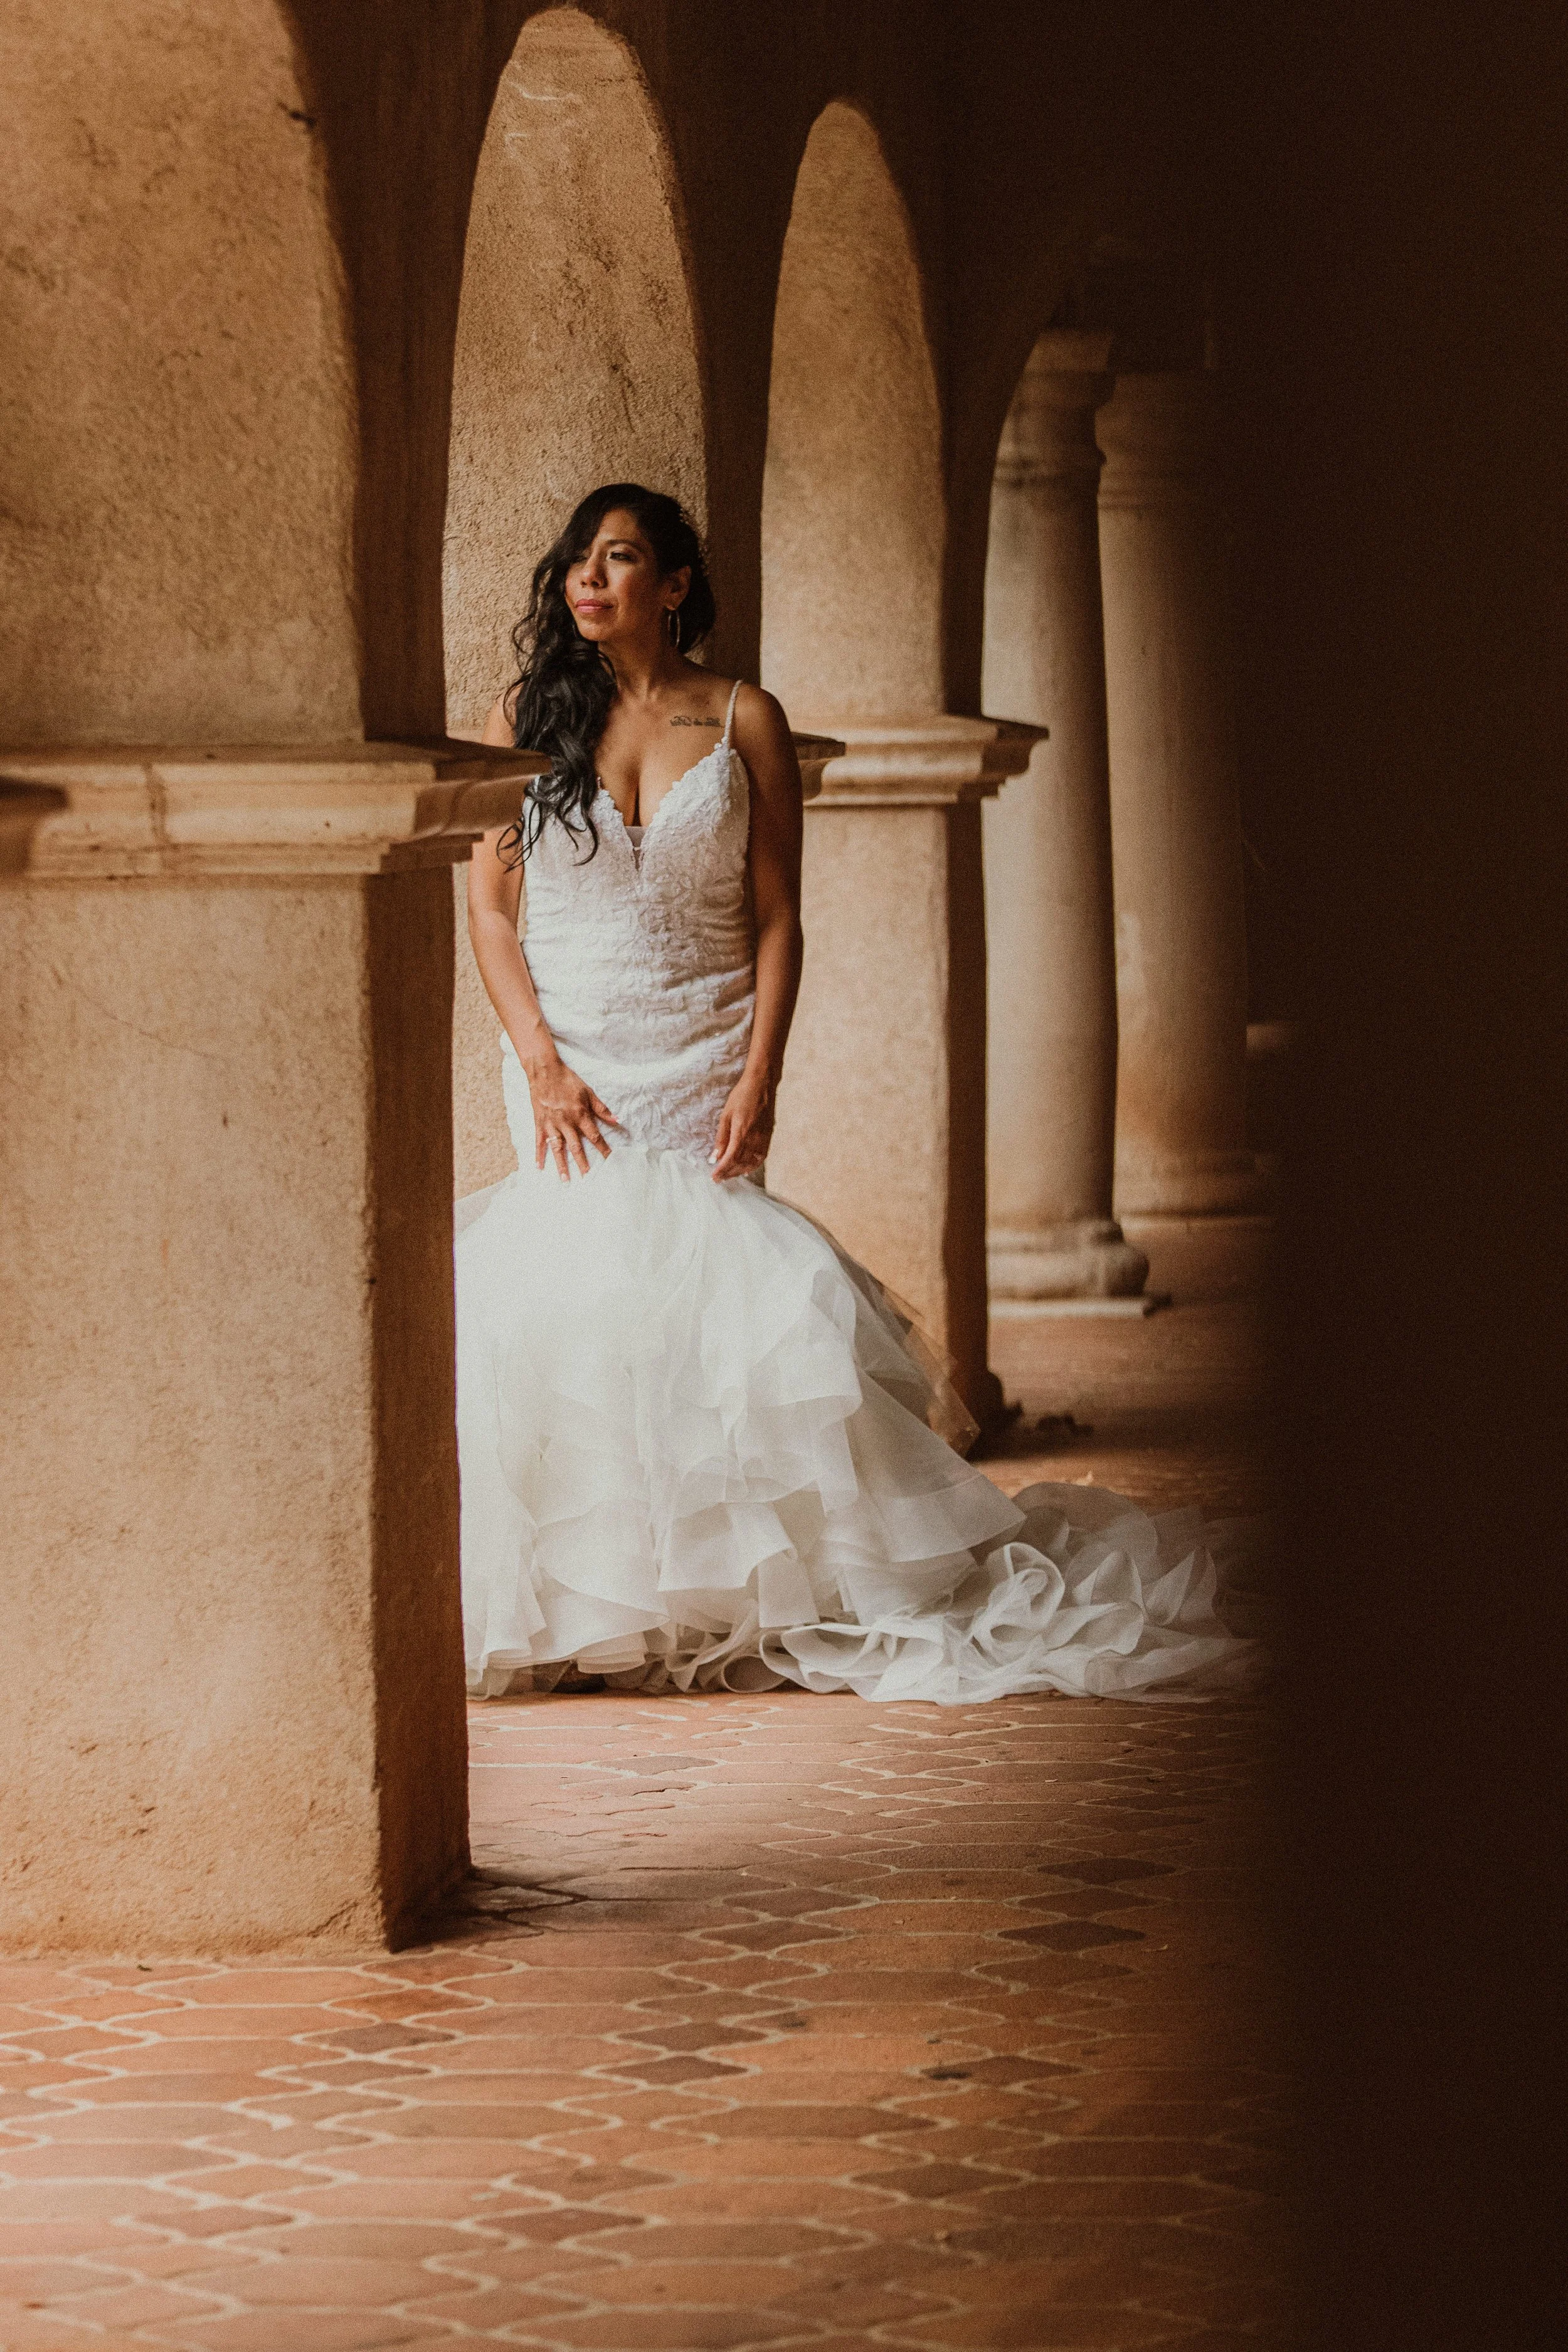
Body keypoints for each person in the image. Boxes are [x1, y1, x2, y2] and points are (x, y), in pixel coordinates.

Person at [456, 482, 1256, 1702]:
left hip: (700, 1052)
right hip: (569, 1058)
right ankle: (592, 1614)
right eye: (578, 558)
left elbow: (778, 920)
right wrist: (540, 1063)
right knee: (574, 1301)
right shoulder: (522, 715)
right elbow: (491, 914)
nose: (589, 579)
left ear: (673, 585)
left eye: (618, 559)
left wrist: (761, 1077)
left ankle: (718, 1599)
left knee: (712, 1303)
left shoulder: (745, 717)